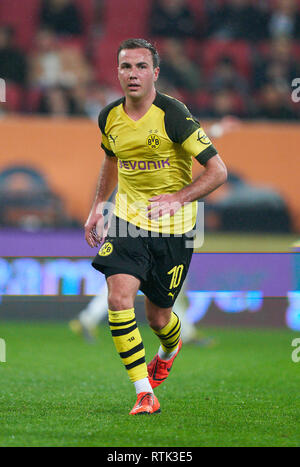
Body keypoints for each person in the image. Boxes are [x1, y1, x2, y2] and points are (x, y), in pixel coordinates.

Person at [84, 38, 227, 416]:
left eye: (141, 67)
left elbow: (218, 171)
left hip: (175, 228)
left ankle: (170, 348)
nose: (133, 74)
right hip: (128, 223)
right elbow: (111, 160)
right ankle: (144, 392)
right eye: (126, 67)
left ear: (155, 73)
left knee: (159, 318)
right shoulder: (109, 117)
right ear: (116, 72)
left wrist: (178, 198)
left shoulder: (173, 115)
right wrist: (99, 206)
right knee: (118, 298)